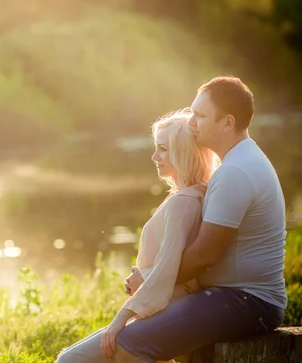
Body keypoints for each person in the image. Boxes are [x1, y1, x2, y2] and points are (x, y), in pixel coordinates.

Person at [117, 76, 286, 363]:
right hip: (232, 296)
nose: (191, 121)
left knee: (130, 342)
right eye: (192, 112)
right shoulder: (237, 161)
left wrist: (149, 281)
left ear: (227, 122)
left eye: (200, 115)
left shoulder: (235, 172)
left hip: (248, 302)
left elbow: (203, 256)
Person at [56, 108, 217, 363]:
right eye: (156, 148)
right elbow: (175, 265)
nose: (155, 156)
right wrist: (143, 276)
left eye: (163, 149)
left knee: (69, 360)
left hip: (163, 308)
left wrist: (121, 318)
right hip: (158, 306)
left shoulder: (183, 203)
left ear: (183, 151)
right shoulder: (191, 195)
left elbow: (172, 272)